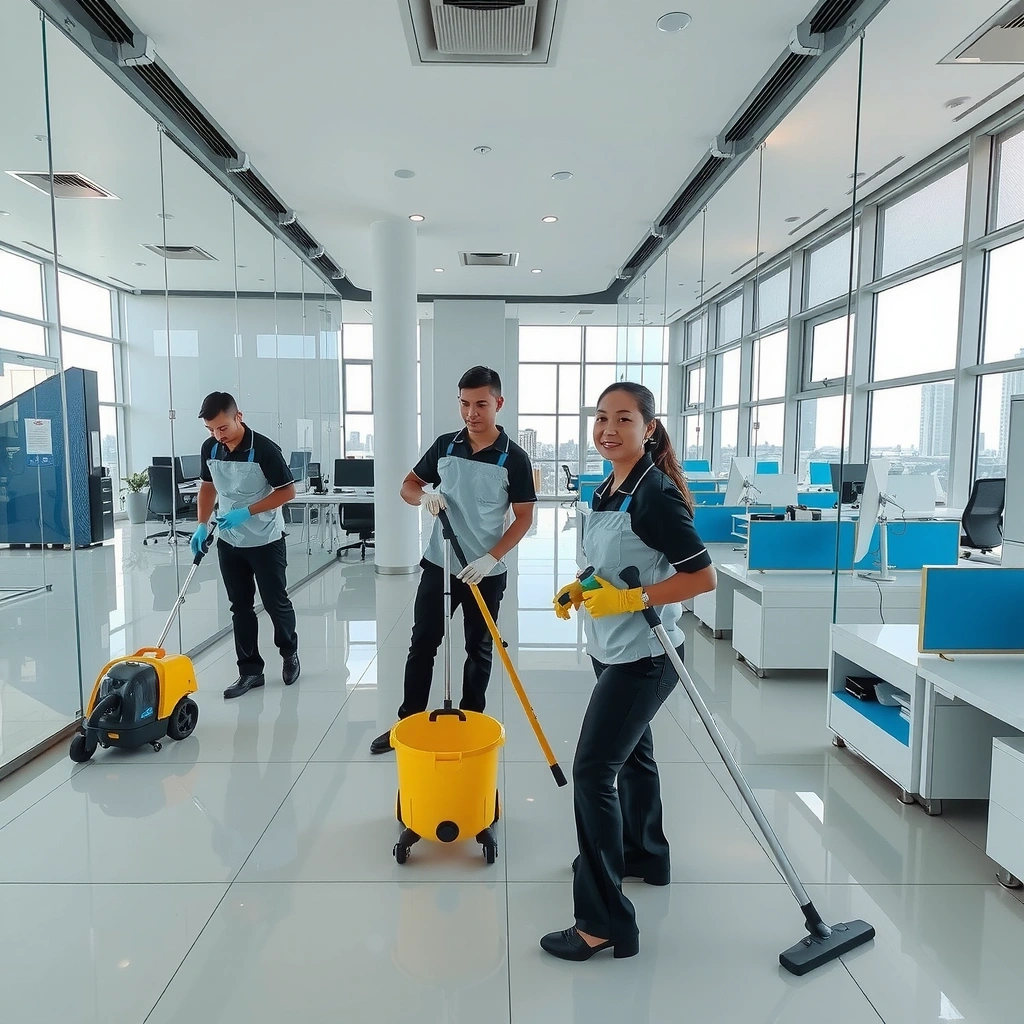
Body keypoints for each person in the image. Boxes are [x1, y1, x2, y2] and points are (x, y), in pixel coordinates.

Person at [540, 381, 716, 961]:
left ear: (649, 427)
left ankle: (603, 920)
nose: (608, 430)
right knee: (634, 754)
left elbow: (700, 578)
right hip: (612, 646)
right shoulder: (610, 487)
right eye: (601, 419)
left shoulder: (655, 496)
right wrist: (585, 586)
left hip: (647, 655)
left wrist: (631, 601)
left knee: (593, 771)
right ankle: (645, 854)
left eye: (623, 419)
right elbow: (618, 565)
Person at [369, 366, 536, 754]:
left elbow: (525, 517)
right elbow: (408, 485)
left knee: (478, 647)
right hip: (439, 563)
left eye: (481, 404)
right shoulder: (446, 445)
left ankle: (471, 722)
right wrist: (422, 497)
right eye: (464, 404)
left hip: (486, 571)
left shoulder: (514, 459)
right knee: (423, 642)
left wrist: (492, 558)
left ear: (499, 403)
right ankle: (408, 721)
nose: (471, 413)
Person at [192, 391, 300, 699]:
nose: (217, 435)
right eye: (211, 429)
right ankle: (250, 671)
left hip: (265, 539)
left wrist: (248, 511)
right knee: (240, 607)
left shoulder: (264, 449)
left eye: (222, 427)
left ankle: (289, 653)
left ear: (239, 417)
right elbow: (208, 486)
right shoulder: (211, 448)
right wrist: (201, 525)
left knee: (275, 603)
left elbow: (287, 492)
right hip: (230, 540)